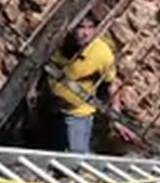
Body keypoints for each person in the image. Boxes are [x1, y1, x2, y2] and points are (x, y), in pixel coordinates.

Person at [47, 16, 119, 154]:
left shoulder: (101, 52)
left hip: (78, 111)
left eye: (90, 28)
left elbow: (111, 83)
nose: (86, 33)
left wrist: (116, 116)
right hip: (53, 107)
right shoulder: (59, 43)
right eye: (81, 27)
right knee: (51, 153)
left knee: (76, 154)